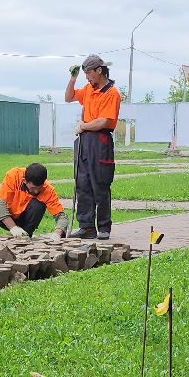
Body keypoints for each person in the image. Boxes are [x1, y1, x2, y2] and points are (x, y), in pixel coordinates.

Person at [64, 53, 120, 240]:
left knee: (100, 183)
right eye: (85, 74)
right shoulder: (88, 89)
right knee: (83, 183)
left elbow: (104, 121)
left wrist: (83, 126)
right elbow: (69, 97)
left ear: (99, 70)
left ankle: (104, 227)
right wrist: (73, 78)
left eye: (89, 73)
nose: (87, 78)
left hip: (100, 141)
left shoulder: (112, 93)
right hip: (84, 141)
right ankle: (86, 226)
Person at [0, 162, 63, 237]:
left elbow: (61, 216)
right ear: (24, 181)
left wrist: (57, 234)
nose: (36, 191)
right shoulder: (13, 176)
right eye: (33, 188)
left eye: (40, 187)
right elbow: (0, 203)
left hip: (25, 222)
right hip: (5, 217)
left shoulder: (48, 189)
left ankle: (25, 236)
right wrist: (13, 228)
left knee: (38, 205)